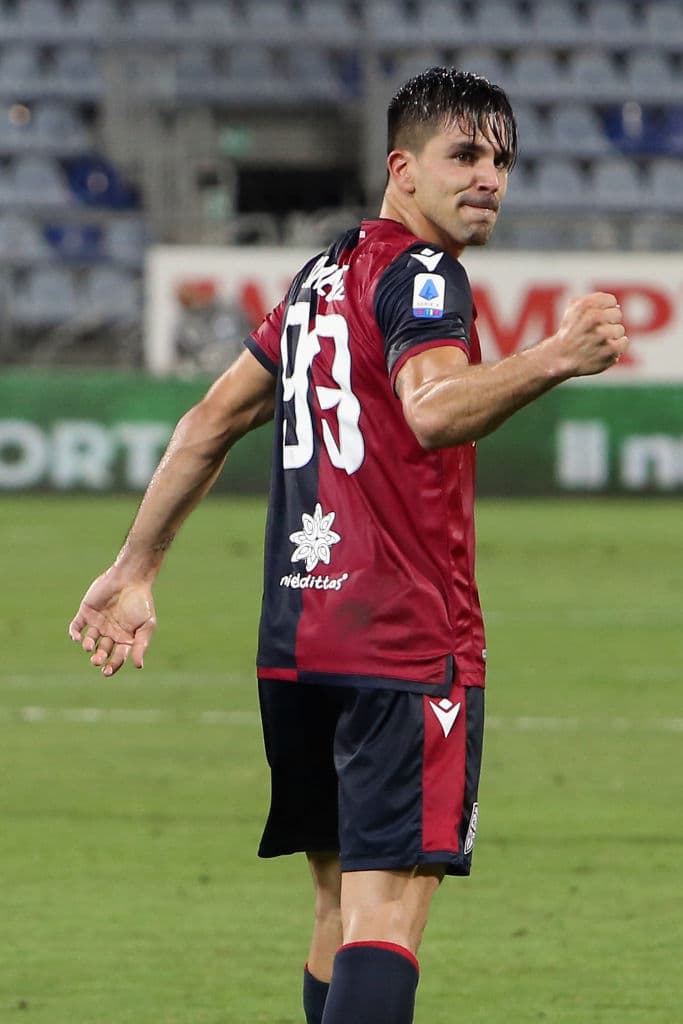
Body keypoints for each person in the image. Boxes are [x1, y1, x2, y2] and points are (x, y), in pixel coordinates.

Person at [69, 67, 628, 1024]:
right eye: (465, 155)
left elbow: (207, 421)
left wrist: (135, 567)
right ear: (401, 168)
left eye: (502, 160)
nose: (489, 177)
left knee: (336, 906)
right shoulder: (420, 273)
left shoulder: (320, 276)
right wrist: (554, 358)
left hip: (298, 645)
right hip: (403, 644)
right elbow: (434, 411)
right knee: (387, 915)